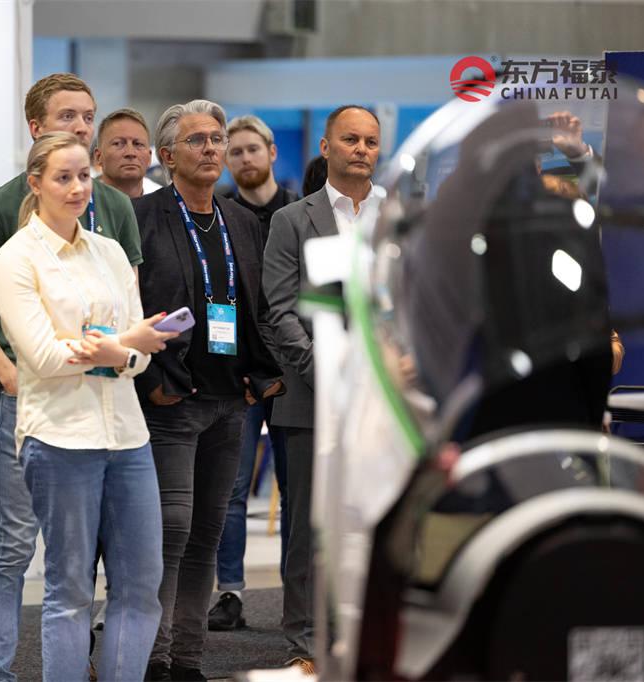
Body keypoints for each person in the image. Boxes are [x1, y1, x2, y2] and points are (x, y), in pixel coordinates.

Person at [0, 73, 143, 682]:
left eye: (88, 116)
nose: (82, 127)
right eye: (67, 116)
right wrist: (9, 372)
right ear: (36, 128)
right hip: (34, 398)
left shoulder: (113, 206)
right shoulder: (2, 205)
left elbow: (132, 314)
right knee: (15, 547)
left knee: (102, 563)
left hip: (110, 403)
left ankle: (84, 666)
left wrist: (125, 351)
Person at [0, 130, 172, 682]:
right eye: (62, 178)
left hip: (129, 436)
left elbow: (141, 356)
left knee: (140, 588)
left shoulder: (110, 251)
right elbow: (43, 357)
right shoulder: (14, 259)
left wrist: (120, 352)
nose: (77, 188)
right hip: (59, 438)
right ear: (35, 183)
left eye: (83, 176)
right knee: (69, 592)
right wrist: (121, 347)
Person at [133, 99, 283, 681]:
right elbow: (128, 307)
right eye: (197, 140)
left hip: (230, 402)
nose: (212, 148)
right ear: (167, 155)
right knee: (170, 532)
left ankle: (187, 659)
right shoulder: (143, 217)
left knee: (206, 535)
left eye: (216, 138)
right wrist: (153, 382)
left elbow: (257, 307)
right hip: (172, 399)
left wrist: (260, 376)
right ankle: (153, 656)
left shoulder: (240, 220)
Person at [263, 105, 383, 675]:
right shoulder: (293, 219)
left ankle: (369, 635)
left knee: (377, 527)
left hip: (385, 403)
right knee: (310, 531)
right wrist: (330, 375)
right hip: (314, 398)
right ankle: (305, 642)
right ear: (327, 148)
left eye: (370, 141)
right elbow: (280, 311)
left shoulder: (396, 216)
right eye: (350, 139)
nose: (361, 149)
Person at [208, 114, 299, 632]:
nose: (244, 158)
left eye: (252, 149)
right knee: (231, 488)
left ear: (271, 152)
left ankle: (296, 594)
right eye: (235, 151)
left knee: (295, 489)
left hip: (292, 371)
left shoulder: (301, 213)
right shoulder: (217, 215)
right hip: (238, 372)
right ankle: (230, 593)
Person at [94, 108, 161, 198]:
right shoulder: (80, 202)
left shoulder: (167, 203)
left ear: (149, 158)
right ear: (98, 156)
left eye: (138, 144)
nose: (130, 153)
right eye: (118, 144)